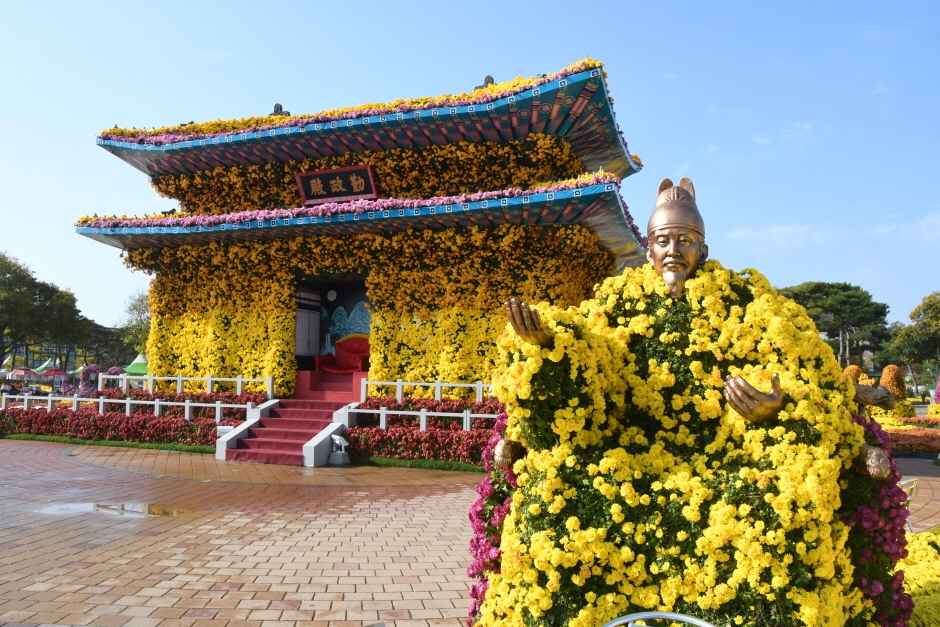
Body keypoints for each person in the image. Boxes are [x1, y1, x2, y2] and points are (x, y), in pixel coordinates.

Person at [476, 177, 900, 626]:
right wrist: (549, 347)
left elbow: (800, 371)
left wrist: (774, 408)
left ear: (704, 250)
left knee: (779, 509)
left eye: (685, 240)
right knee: (551, 498)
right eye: (663, 241)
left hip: (727, 461)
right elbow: (590, 356)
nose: (673, 250)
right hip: (626, 457)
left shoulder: (745, 299)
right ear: (649, 249)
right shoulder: (616, 303)